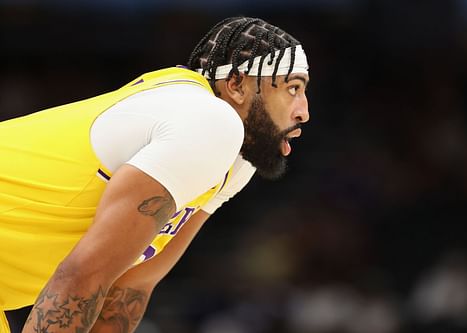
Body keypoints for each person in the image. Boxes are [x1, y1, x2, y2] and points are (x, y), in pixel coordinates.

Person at [0, 16, 310, 333]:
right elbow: (80, 275)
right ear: (235, 85)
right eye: (292, 88)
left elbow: (129, 289)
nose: (304, 111)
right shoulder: (210, 121)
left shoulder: (234, 160)